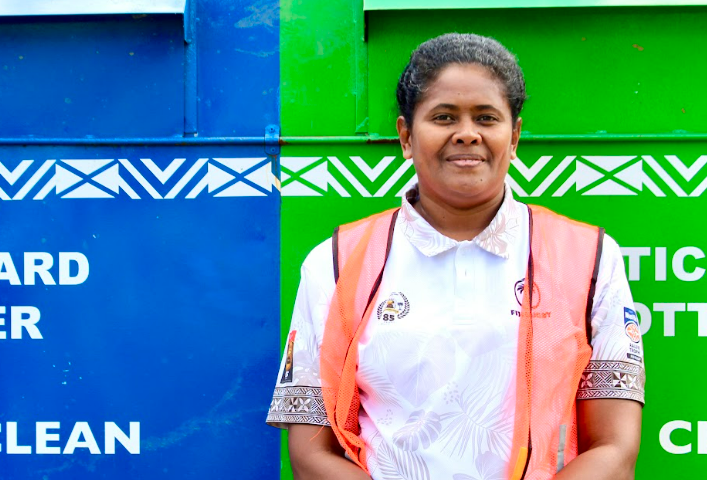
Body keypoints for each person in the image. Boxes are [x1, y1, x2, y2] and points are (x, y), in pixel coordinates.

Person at [267, 33, 644, 480]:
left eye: (486, 117)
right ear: (406, 136)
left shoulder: (589, 255)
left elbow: (615, 449)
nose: (467, 134)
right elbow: (312, 452)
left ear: (515, 135)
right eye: (444, 117)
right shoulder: (337, 260)